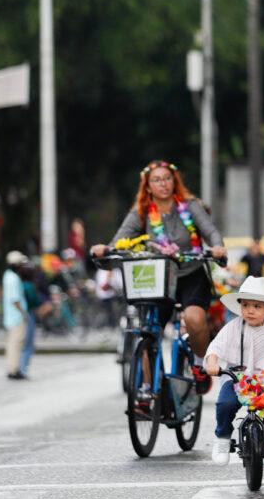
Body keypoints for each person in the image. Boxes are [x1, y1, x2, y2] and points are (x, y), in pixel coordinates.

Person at [90, 160, 227, 393]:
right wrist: (105, 249)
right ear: (147, 186)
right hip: (158, 278)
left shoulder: (190, 205)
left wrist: (217, 247)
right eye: (156, 180)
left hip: (191, 273)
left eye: (167, 178)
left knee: (194, 319)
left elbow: (210, 231)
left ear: (174, 181)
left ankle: (198, 364)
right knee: (148, 332)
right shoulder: (141, 212)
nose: (163, 184)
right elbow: (120, 241)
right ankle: (148, 390)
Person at [205, 276, 264, 466]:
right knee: (225, 403)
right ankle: (222, 438)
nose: (250, 310)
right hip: (236, 377)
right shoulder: (234, 326)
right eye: (246, 305)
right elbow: (216, 347)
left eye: (257, 306)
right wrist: (212, 362)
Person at [3, 251, 29, 380]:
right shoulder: (13, 278)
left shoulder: (8, 275)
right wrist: (23, 313)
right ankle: (13, 370)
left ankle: (12, 368)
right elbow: (15, 299)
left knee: (12, 343)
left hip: (10, 316)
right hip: (16, 316)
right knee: (15, 343)